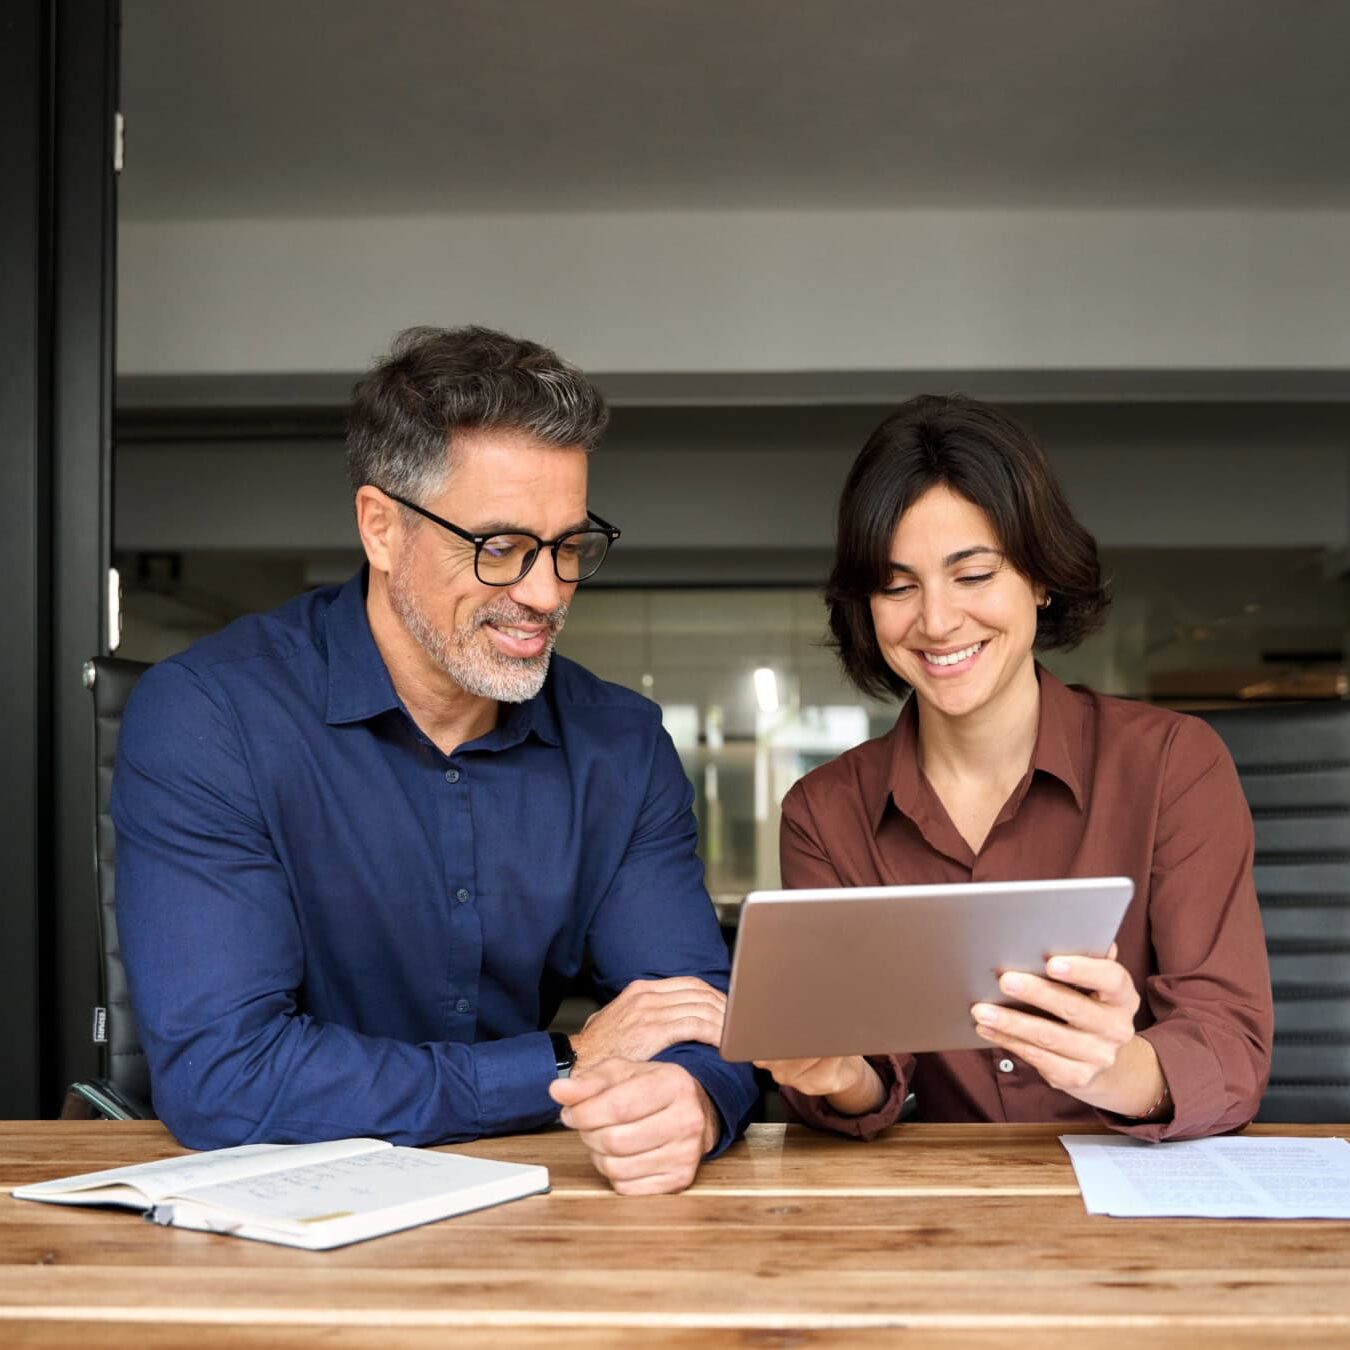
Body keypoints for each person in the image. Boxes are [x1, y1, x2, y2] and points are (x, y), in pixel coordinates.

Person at [113, 324, 756, 1195]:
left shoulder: (620, 744)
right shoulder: (210, 718)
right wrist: (563, 1061)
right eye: (500, 548)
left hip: (538, 1212)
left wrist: (691, 1100)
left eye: (569, 546)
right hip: (275, 1223)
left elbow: (703, 1018)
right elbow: (226, 1078)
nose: (546, 592)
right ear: (381, 528)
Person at [756, 395, 1273, 1141]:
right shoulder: (823, 811)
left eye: (972, 575)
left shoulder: (1172, 766)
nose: (937, 622)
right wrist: (838, 1077)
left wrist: (1115, 1069)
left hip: (1143, 1194)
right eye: (898, 586)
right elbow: (865, 1075)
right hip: (946, 1197)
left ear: (1040, 577)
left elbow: (1229, 1046)